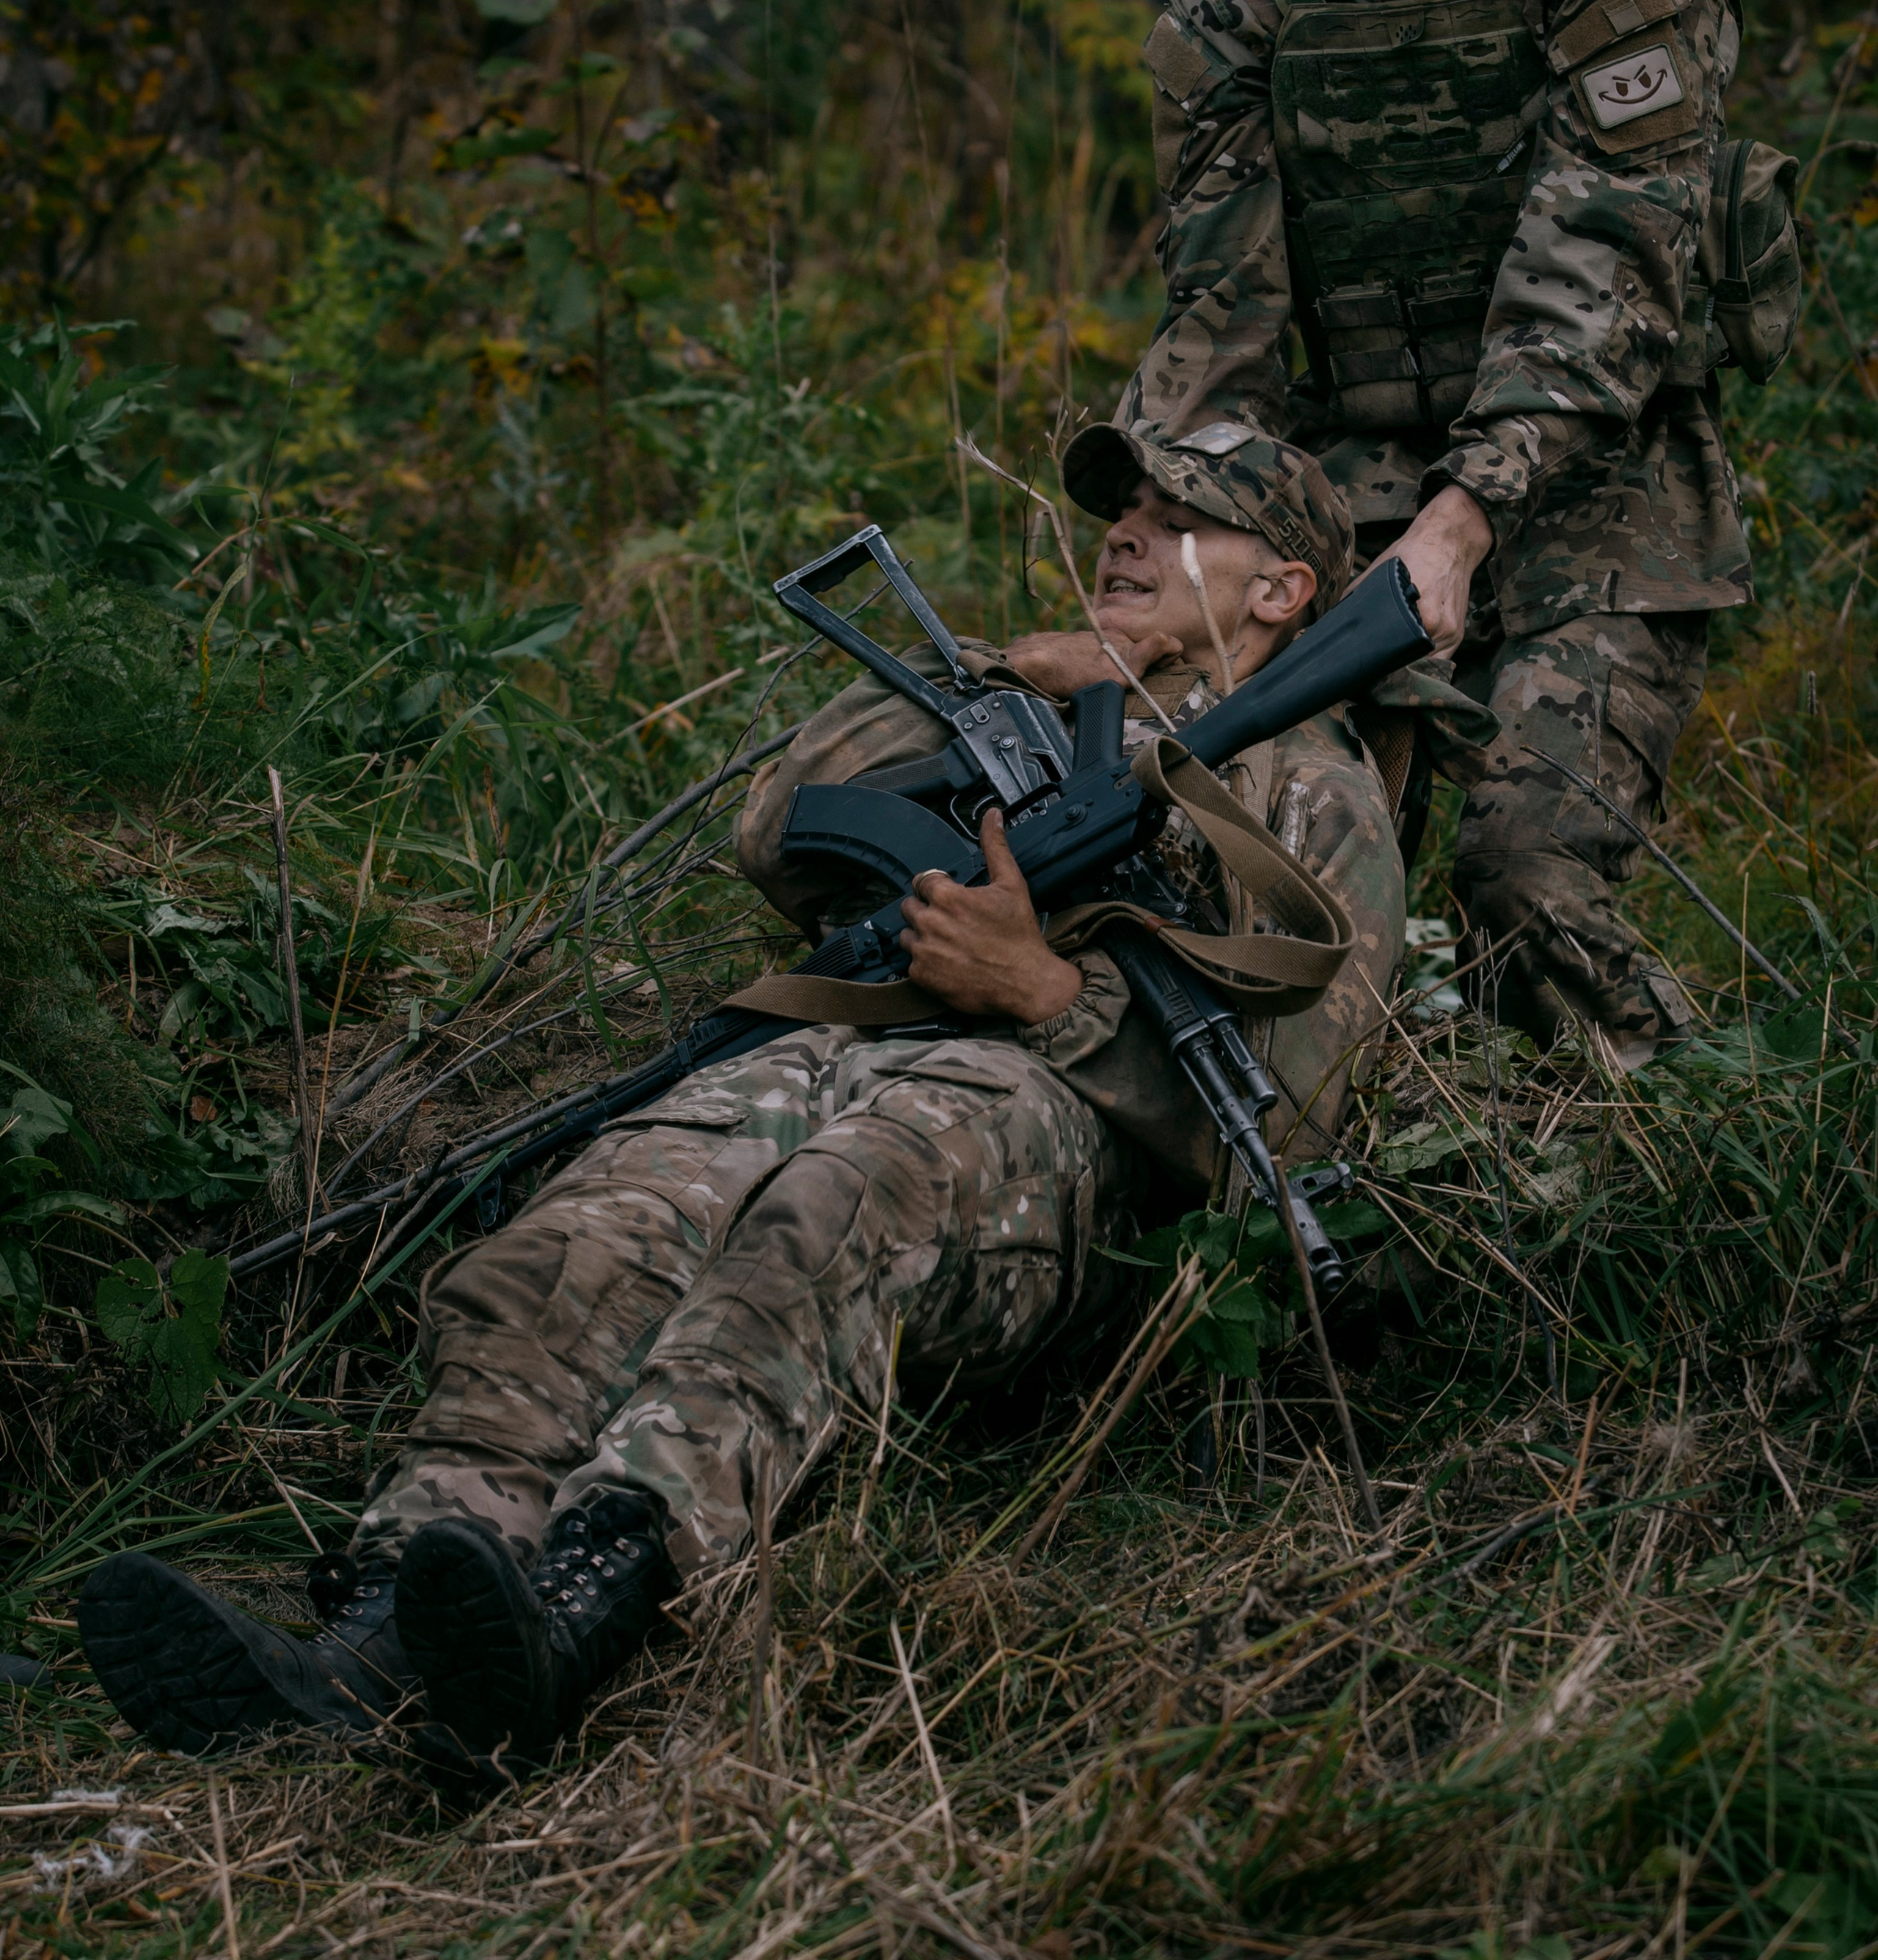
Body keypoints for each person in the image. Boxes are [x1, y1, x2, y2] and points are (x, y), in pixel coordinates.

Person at [78, 421, 1404, 1774]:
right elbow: (778, 832)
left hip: (1044, 1164)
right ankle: (383, 1623)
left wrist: (1043, 993)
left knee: (834, 1203)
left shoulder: (1315, 790)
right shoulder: (1044, 705)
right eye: (1117, 505)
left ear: (1282, 589)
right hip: (846, 1057)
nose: (1121, 530)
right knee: (591, 1219)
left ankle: (587, 1600)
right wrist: (1006, 675)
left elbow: (1278, 1130)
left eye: (1173, 510)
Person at [1125, 0, 1759, 1068]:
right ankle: (1341, 1199)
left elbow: (1595, 272)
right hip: (1336, 511)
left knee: (1515, 882)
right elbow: (1217, 314)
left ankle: (1672, 1174)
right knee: (1259, 869)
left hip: (1600, 497)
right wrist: (1192, 561)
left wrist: (1460, 525)